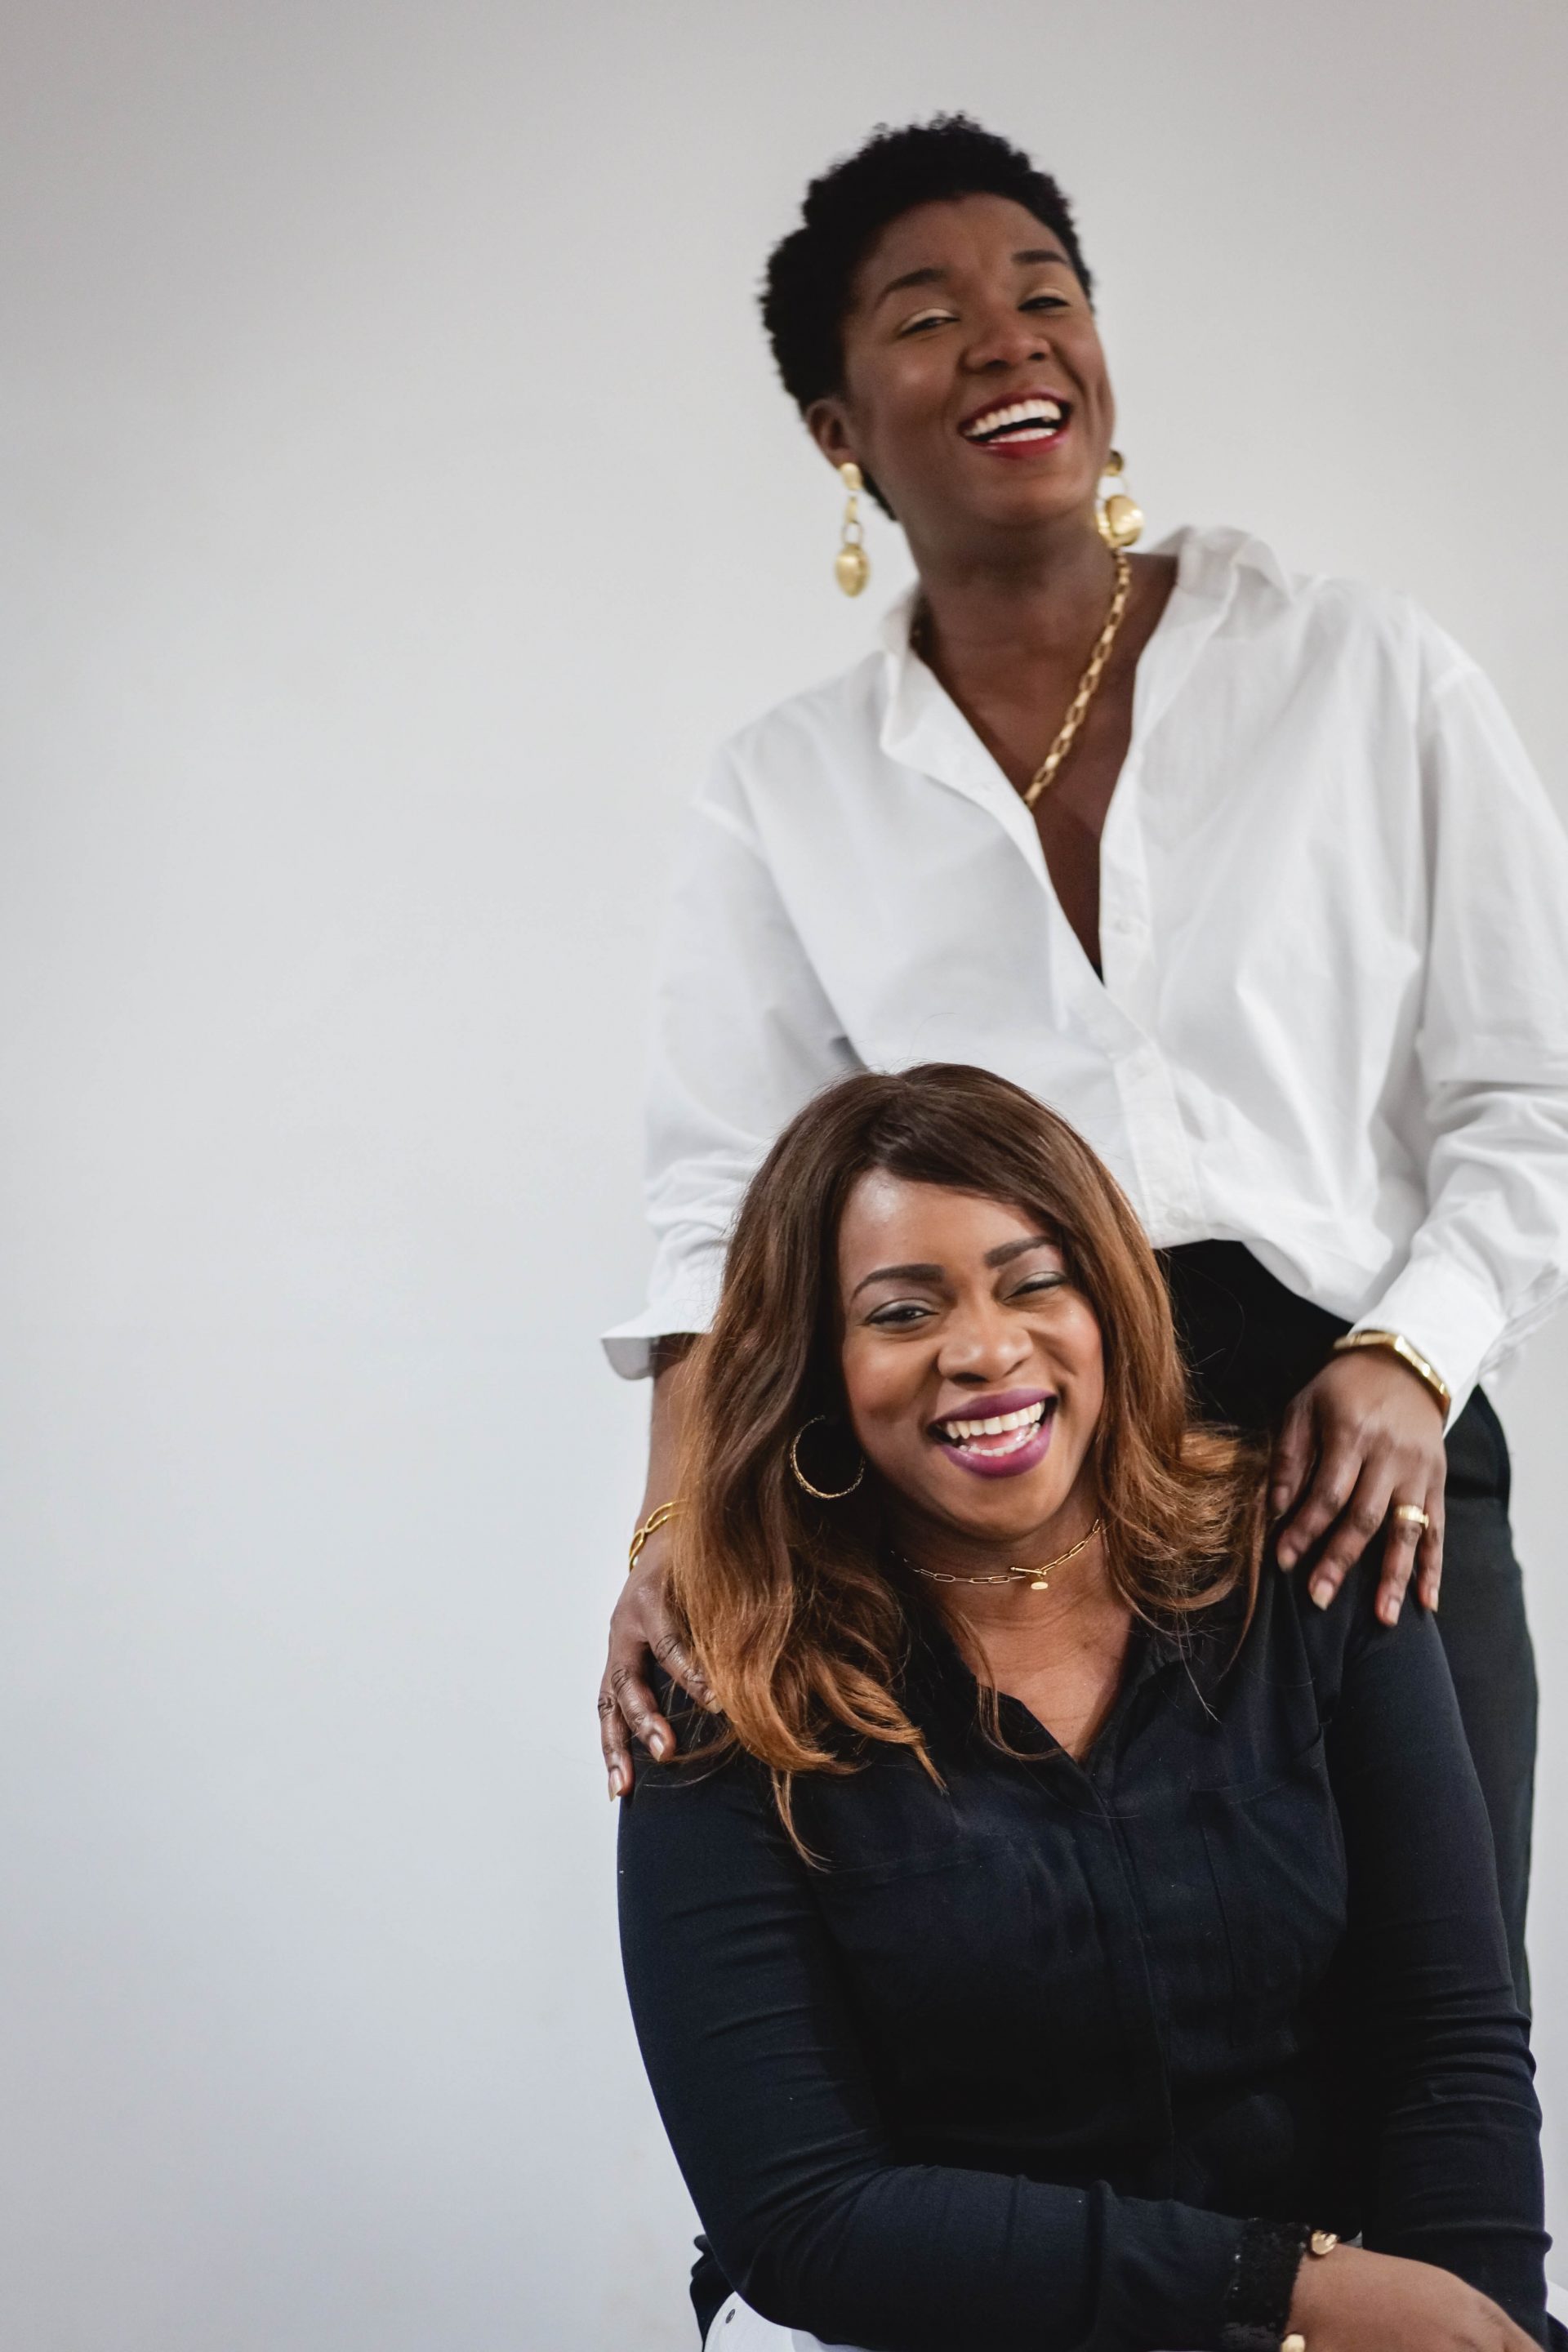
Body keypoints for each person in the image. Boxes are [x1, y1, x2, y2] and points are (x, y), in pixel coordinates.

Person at [599, 118, 1568, 2006]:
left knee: (1436, 2052)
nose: (1008, 340)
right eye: (927, 316)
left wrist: (1414, 1355)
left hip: (1363, 1472)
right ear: (837, 430)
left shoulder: (1361, 668)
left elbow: (1530, 1090)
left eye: (1046, 293)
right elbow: (724, 1202)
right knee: (1077, 2071)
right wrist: (673, 1533)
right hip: (1006, 1501)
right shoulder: (788, 791)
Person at [618, 1063, 1554, 2352]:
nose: (984, 1350)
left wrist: (1479, 2325)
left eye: (1033, 1283)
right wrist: (1278, 2291)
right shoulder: (724, 1688)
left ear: (1112, 1303)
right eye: (903, 1311)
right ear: (818, 1366)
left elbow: (1452, 2051)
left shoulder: (1306, 1567)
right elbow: (803, 2218)